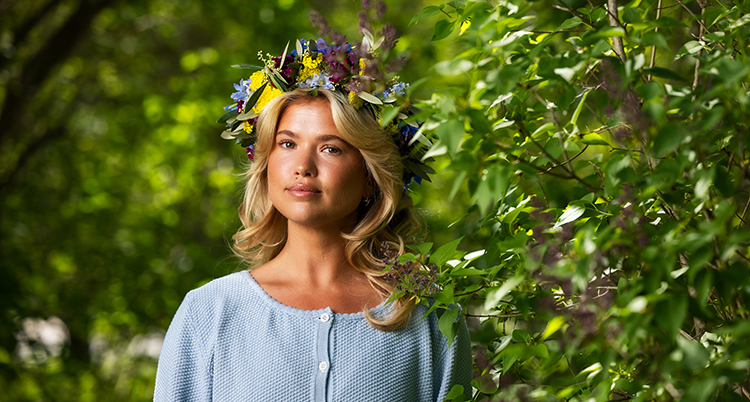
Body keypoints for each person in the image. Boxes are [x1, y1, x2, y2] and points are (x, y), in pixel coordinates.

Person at [154, 36, 472, 402]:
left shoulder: (429, 317)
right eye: (287, 144)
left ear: (370, 176)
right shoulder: (209, 312)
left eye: (330, 149)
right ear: (266, 162)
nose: (303, 167)